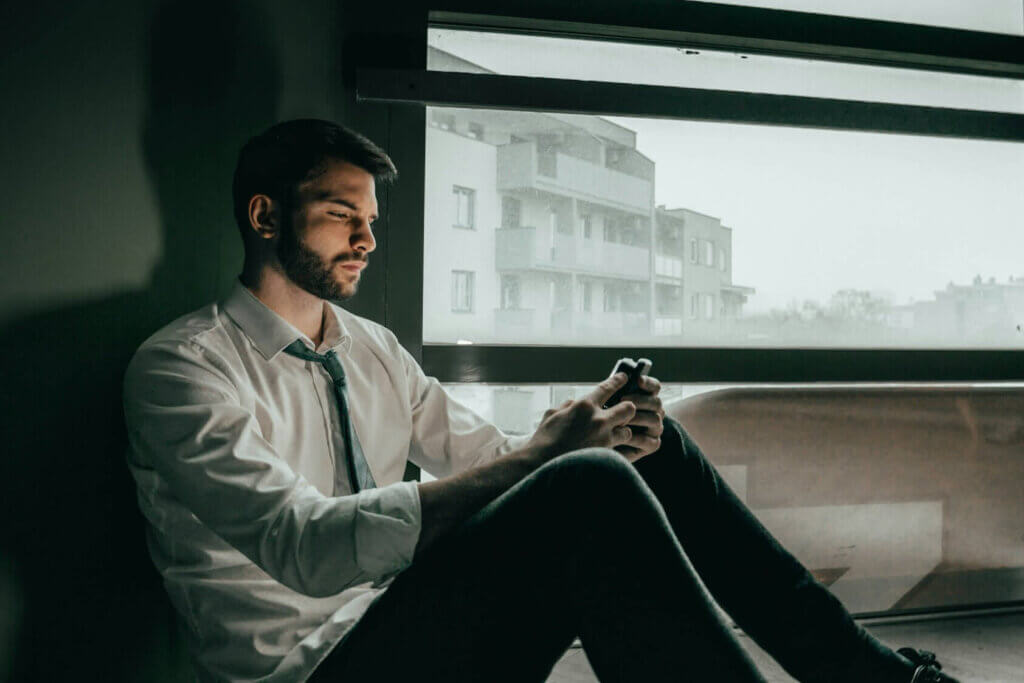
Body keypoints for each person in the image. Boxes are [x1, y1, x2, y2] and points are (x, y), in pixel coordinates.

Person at [123, 119, 958, 683]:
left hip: (418, 621)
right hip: (316, 669)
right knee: (586, 482)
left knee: (641, 444)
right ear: (266, 216)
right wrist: (556, 455)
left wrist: (593, 422)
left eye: (372, 218)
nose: (368, 238)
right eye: (343, 215)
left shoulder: (369, 346)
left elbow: (487, 457)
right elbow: (301, 545)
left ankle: (873, 678)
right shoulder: (181, 370)